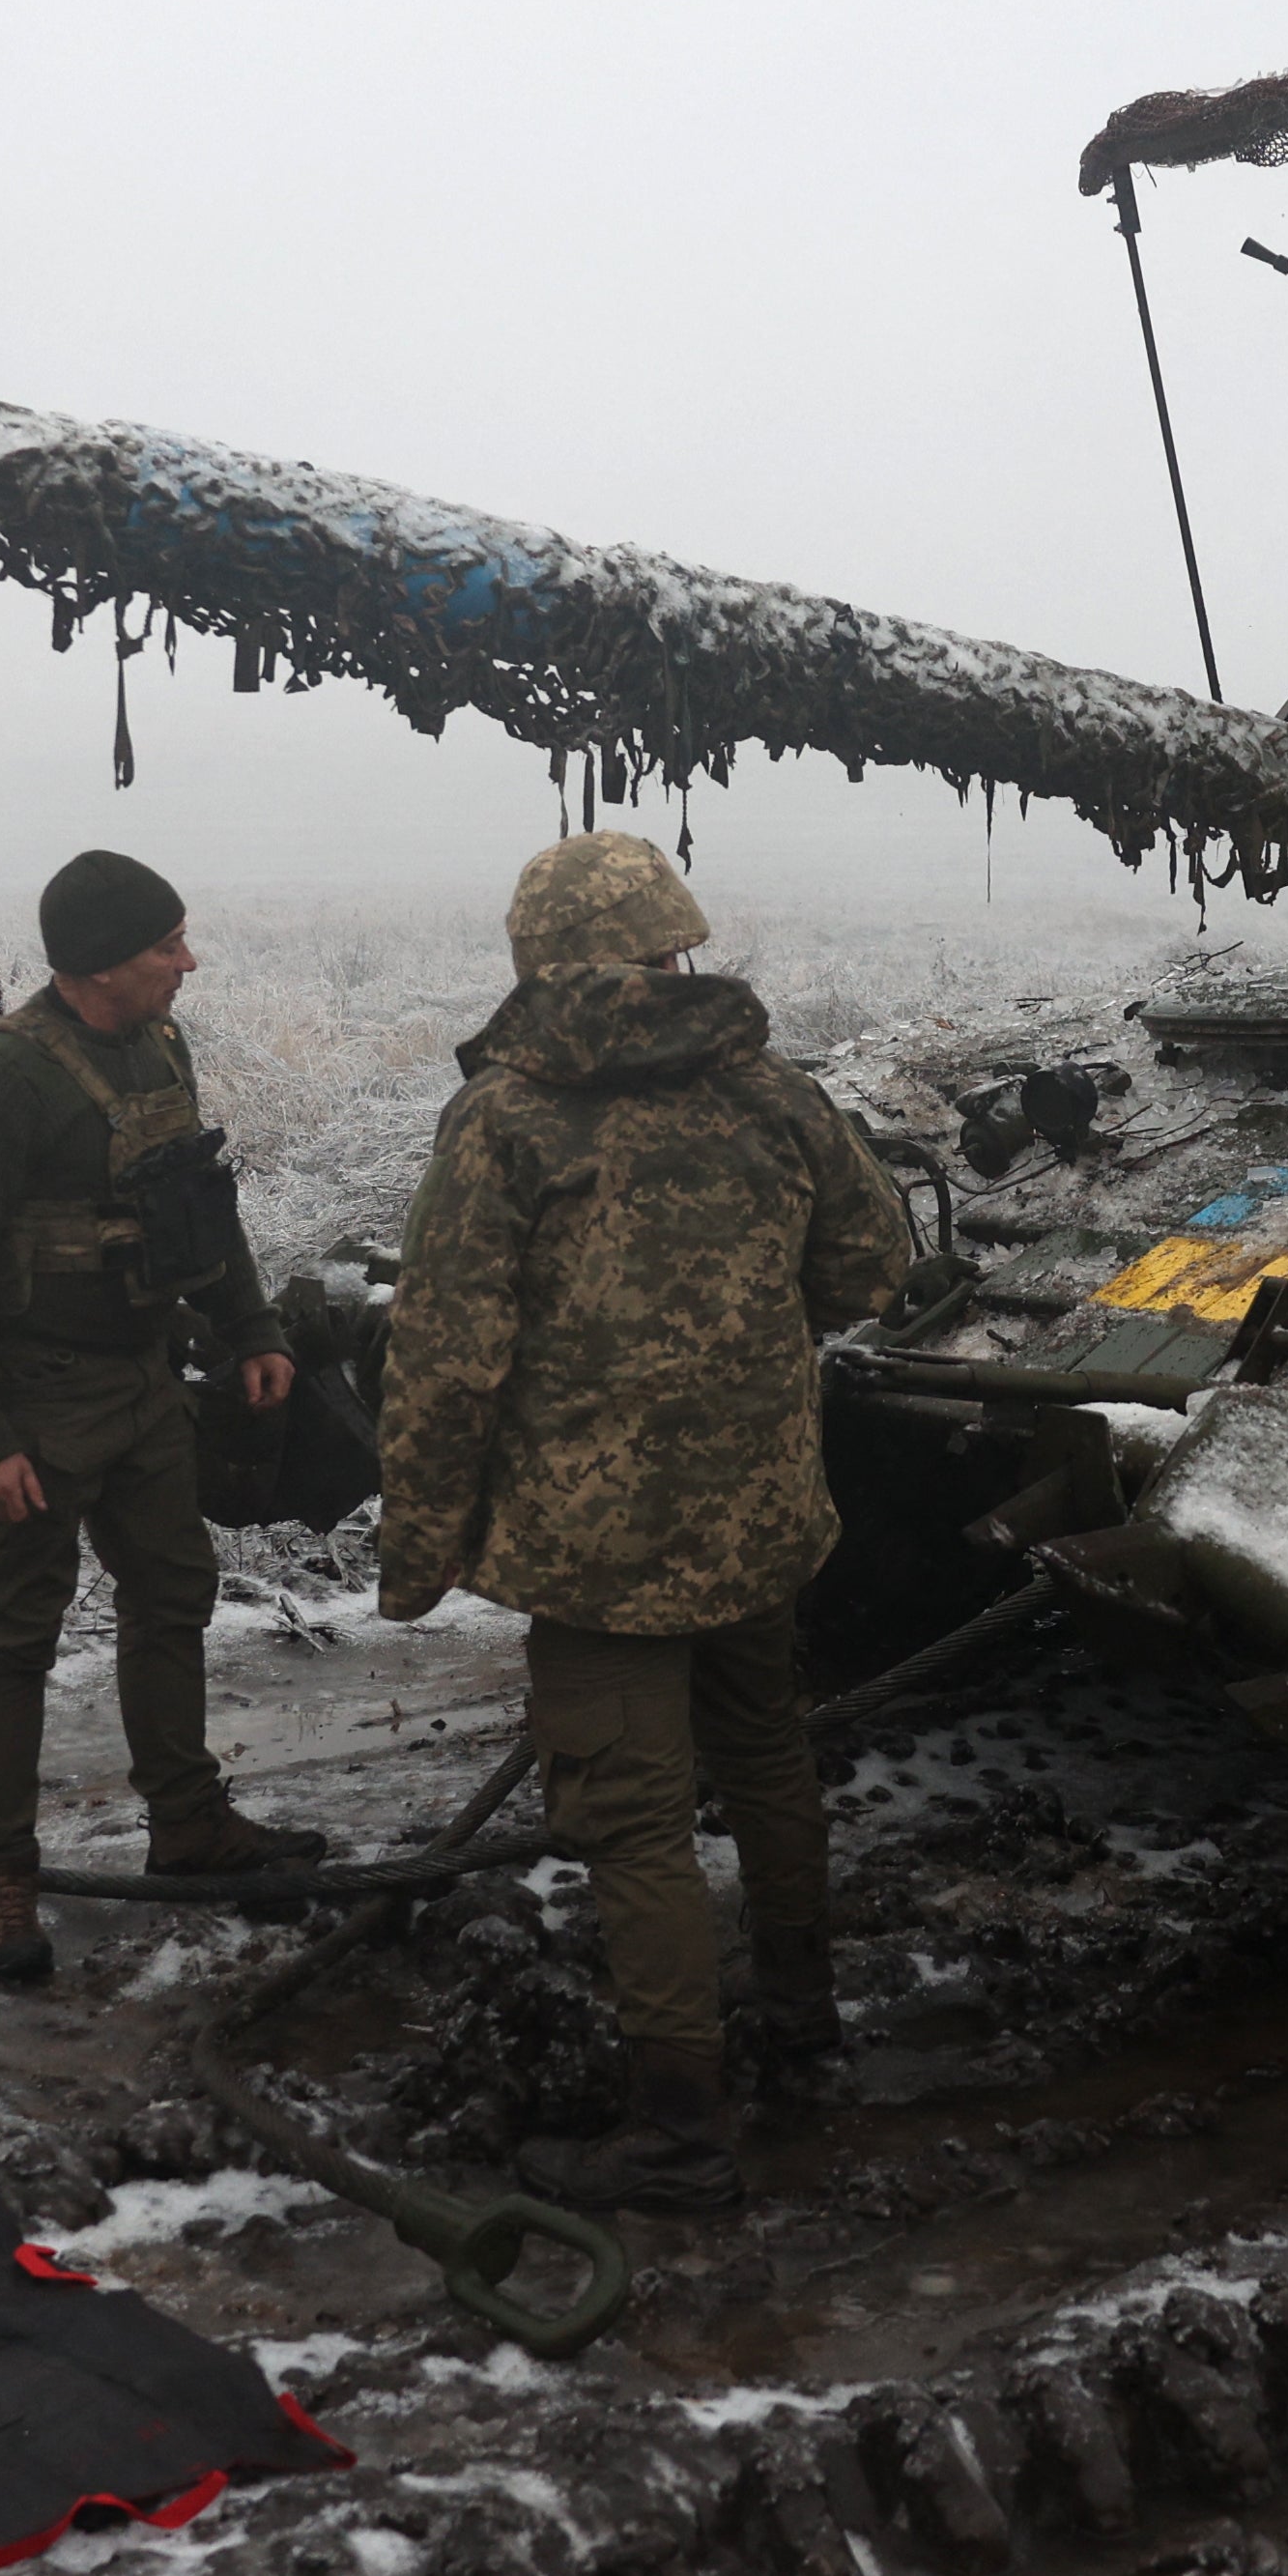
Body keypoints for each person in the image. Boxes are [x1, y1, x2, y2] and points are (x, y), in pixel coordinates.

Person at [370, 833, 915, 2217]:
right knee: (769, 1760)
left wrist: (416, 1552)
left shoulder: (505, 1120)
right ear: (679, 943)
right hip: (757, 1519)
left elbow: (446, 1358)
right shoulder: (774, 1094)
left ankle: (678, 2128)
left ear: (533, 958)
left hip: (594, 1556)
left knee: (634, 1821)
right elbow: (870, 1266)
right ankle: (802, 2031)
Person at [0, 850, 319, 1987]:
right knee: (17, 1636)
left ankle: (186, 1825)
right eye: (163, 947)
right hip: (37, 1405)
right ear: (99, 965)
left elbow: (196, 1203)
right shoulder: (2, 1080)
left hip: (141, 1385)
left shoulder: (159, 1046)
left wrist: (251, 1327)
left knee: (175, 1594)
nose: (187, 962)